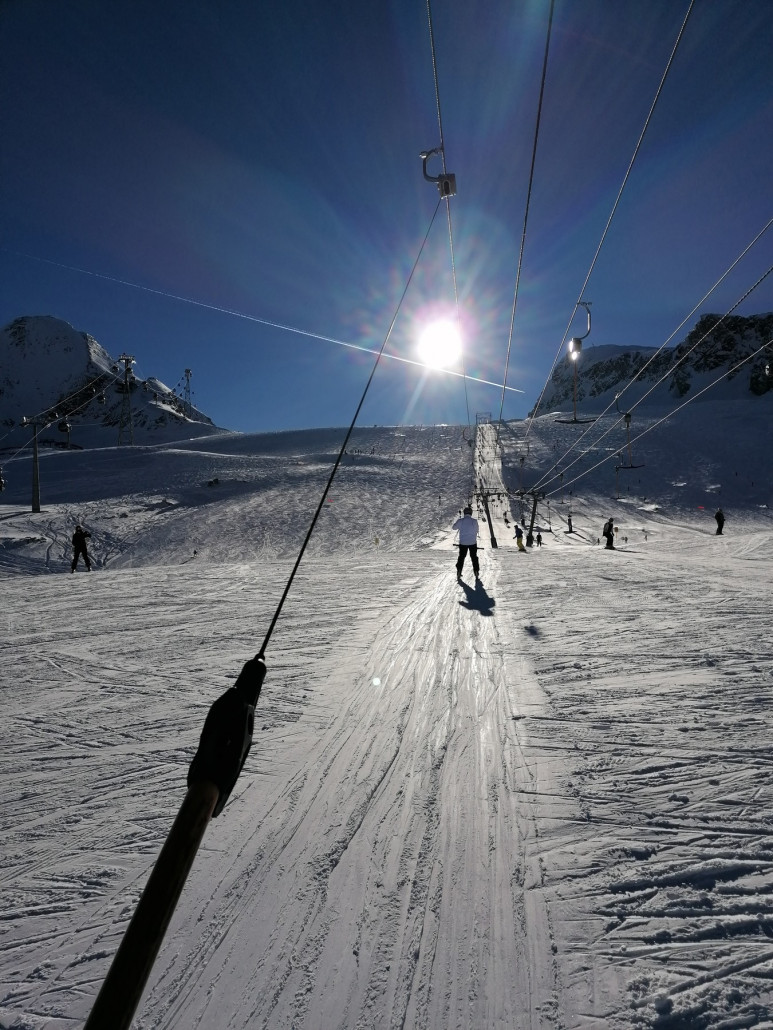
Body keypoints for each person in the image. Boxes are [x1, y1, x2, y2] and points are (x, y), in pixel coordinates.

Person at [452, 506, 480, 579]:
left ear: (464, 513)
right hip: (472, 542)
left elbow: (454, 528)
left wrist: (458, 523)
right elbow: (477, 530)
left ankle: (459, 570)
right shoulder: (474, 521)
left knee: (461, 557)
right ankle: (476, 571)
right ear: (471, 513)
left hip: (463, 542)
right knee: (474, 557)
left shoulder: (461, 520)